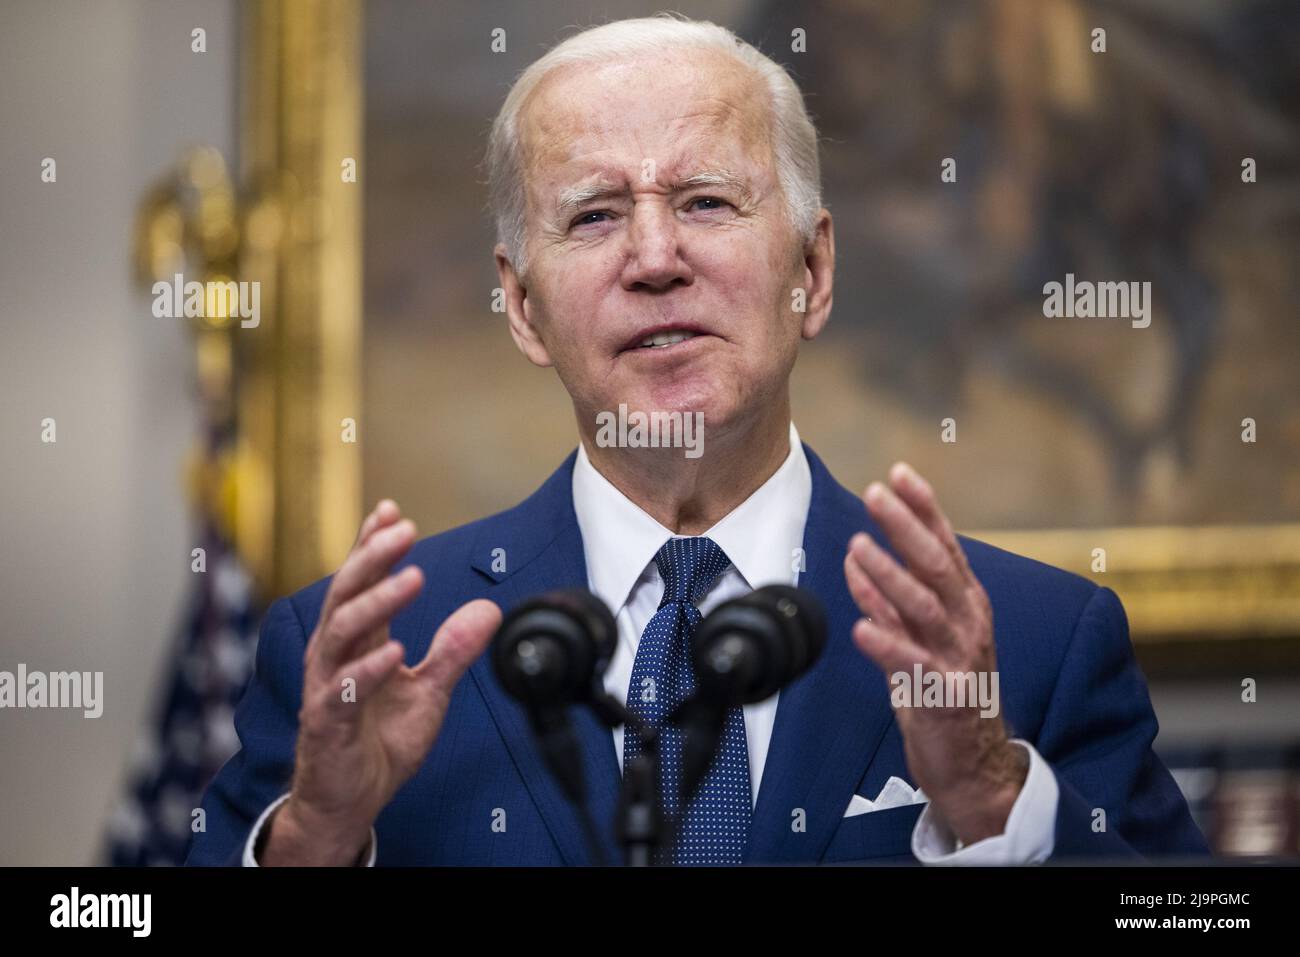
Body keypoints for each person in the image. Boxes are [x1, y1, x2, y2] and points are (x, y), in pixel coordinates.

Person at [187, 15, 1207, 866]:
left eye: (706, 202)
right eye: (591, 216)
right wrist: (315, 840)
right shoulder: (363, 658)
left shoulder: (1034, 641)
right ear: (521, 308)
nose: (654, 257)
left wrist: (991, 798)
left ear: (811, 270)